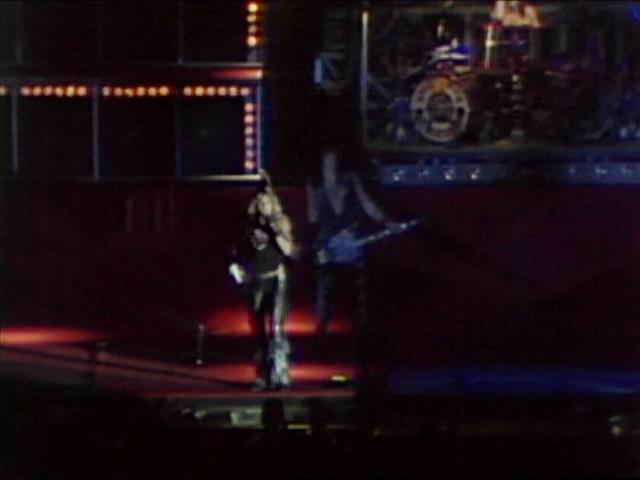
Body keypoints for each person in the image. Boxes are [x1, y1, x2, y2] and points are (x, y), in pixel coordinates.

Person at [306, 145, 401, 382]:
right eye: (327, 166)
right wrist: (315, 249)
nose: (331, 170)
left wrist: (387, 222)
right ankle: (321, 350)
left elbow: (370, 208)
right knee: (324, 303)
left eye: (334, 165)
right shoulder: (315, 189)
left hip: (353, 253)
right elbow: (312, 221)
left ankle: (362, 356)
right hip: (328, 254)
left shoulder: (352, 184)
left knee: (360, 308)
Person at [229, 170, 295, 390]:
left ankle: (281, 373)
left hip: (276, 279)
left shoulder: (280, 222)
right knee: (258, 330)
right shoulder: (248, 225)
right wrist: (236, 267)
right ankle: (262, 375)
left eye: (266, 202)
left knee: (276, 327)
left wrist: (274, 230)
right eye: (259, 202)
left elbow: (288, 250)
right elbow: (236, 251)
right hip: (255, 280)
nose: (262, 206)